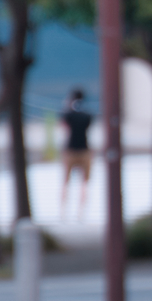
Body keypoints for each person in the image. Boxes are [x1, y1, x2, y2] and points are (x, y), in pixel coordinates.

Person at [58, 89, 94, 220]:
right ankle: (81, 213)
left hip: (70, 150)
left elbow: (63, 125)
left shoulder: (68, 114)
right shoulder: (87, 115)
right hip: (85, 149)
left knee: (65, 182)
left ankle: (62, 212)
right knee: (84, 183)